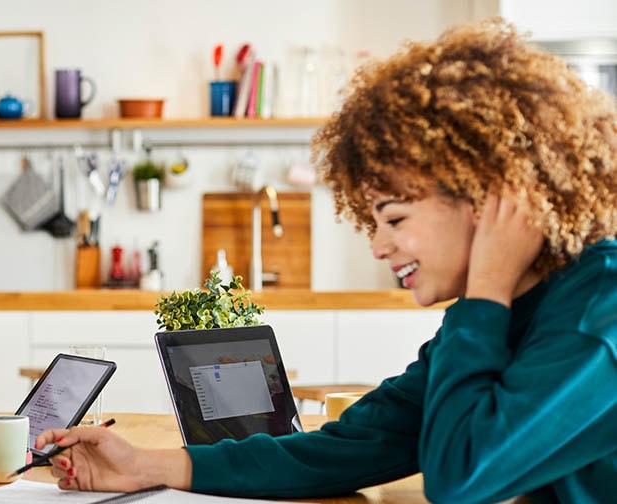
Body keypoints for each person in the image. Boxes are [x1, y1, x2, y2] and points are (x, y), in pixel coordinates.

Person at [35, 18, 617, 503]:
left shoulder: (599, 310)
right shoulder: (515, 307)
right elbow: (354, 444)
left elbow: (461, 475)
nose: (379, 246)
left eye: (393, 218)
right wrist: (150, 465)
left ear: (487, 193)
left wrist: (486, 286)